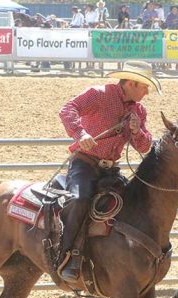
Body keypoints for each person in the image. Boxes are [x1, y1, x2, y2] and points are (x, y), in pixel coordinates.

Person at [57, 61, 161, 283]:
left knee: (132, 204)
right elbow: (68, 109)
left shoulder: (139, 111)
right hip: (85, 163)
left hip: (110, 169)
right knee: (79, 199)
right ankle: (67, 255)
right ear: (132, 83)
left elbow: (144, 146)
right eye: (145, 87)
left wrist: (136, 130)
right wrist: (80, 134)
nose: (147, 92)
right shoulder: (99, 94)